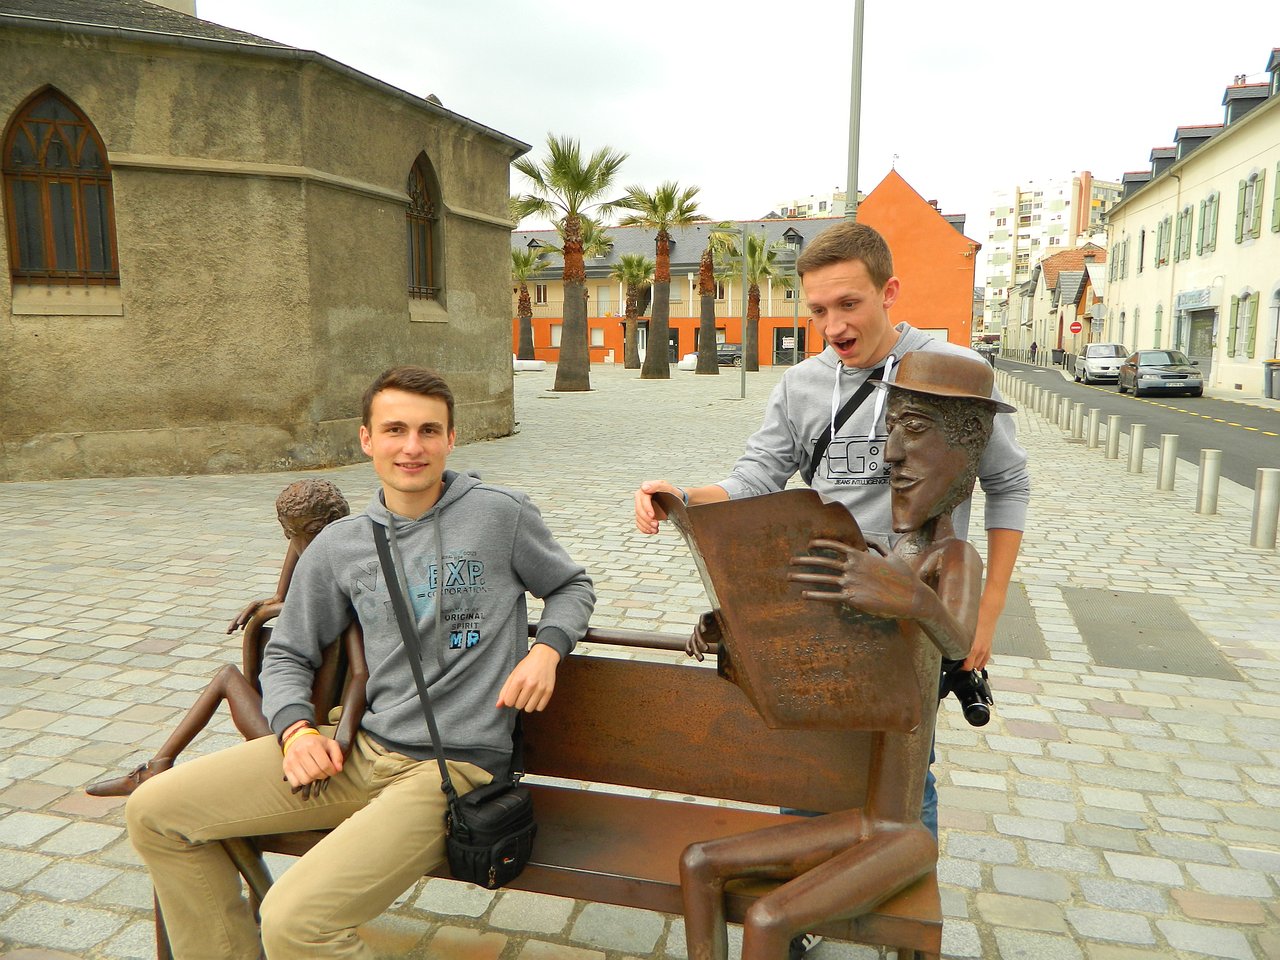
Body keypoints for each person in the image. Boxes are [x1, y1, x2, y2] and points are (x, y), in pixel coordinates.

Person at [126, 366, 595, 959]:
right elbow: (289, 652)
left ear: (451, 439)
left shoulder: (501, 515)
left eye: (428, 431)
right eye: (395, 430)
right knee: (155, 812)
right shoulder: (339, 544)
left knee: (295, 921)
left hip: (453, 771)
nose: (412, 447)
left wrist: (547, 649)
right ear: (367, 439)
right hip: (359, 751)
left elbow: (571, 586)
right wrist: (296, 730)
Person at [634, 221, 1029, 839]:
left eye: (849, 304)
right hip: (823, 601)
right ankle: (805, 880)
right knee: (804, 761)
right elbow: (757, 476)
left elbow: (1008, 483)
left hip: (910, 606)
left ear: (888, 292)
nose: (833, 325)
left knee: (901, 769)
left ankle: (898, 884)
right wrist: (682, 498)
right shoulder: (803, 384)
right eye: (818, 310)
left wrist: (987, 610)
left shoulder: (953, 370)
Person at [680, 352, 1009, 960]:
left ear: (965, 450)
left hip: (898, 826)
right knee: (699, 861)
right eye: (890, 429)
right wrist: (732, 626)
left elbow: (959, 642)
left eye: (913, 431)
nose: (891, 454)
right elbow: (810, 633)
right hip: (851, 797)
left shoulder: (950, 559)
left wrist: (912, 599)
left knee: (769, 919)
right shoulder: (877, 552)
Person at [87, 479, 360, 798]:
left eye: (307, 532)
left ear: (330, 527)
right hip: (290, 723)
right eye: (289, 533)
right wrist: (279, 595)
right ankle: (156, 767)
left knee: (227, 677)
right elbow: (304, 546)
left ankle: (156, 769)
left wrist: (340, 742)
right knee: (230, 675)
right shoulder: (325, 546)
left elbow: (361, 675)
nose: (299, 544)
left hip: (307, 738)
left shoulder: (348, 589)